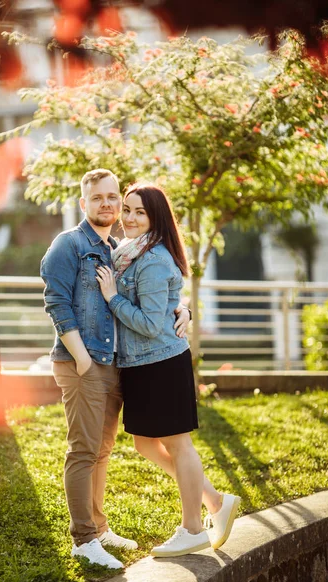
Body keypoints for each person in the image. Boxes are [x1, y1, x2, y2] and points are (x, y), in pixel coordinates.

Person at [40, 169, 190, 569]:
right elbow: (57, 303)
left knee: (102, 451)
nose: (108, 205)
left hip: (115, 365)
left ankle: (99, 527)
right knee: (83, 450)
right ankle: (83, 539)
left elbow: (151, 291)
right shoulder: (68, 244)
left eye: (113, 198)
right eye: (99, 198)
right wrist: (84, 360)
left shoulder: (120, 250)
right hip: (82, 363)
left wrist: (182, 309)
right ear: (83, 203)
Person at [96, 184, 241, 557]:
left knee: (178, 444)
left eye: (138, 212)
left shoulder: (153, 258)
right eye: (126, 209)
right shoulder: (128, 252)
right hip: (140, 364)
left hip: (161, 362)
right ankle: (214, 500)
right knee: (145, 443)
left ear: (155, 218)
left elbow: (147, 323)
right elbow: (167, 302)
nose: (128, 217)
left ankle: (192, 528)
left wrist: (112, 298)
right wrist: (183, 308)